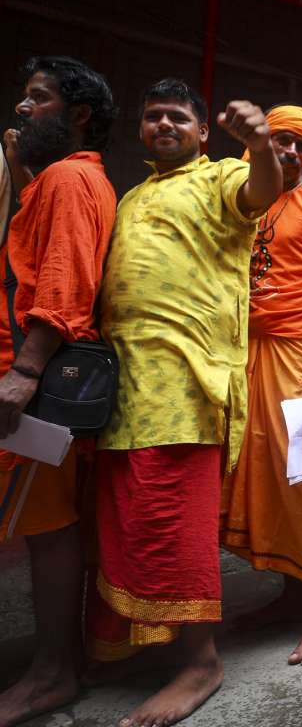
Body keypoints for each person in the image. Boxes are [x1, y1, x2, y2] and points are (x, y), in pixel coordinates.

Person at [91, 78, 282, 727]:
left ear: (203, 132)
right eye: (153, 117)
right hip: (125, 385)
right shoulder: (133, 194)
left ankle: (201, 662)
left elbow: (262, 190)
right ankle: (144, 642)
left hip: (187, 384)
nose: (163, 125)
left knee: (174, 523)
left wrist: (258, 144)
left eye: (177, 117)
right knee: (132, 518)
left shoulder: (221, 175)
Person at [0, 56, 117, 727]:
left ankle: (52, 674)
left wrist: (26, 369)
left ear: (77, 115)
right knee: (40, 520)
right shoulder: (62, 178)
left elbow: (64, 280)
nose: (22, 107)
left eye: (37, 98)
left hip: (39, 378)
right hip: (34, 372)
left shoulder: (73, 178)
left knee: (45, 524)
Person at [219, 104, 302, 666]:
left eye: (301, 144)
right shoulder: (241, 193)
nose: (290, 152)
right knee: (266, 479)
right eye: (281, 141)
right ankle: (293, 591)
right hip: (246, 350)